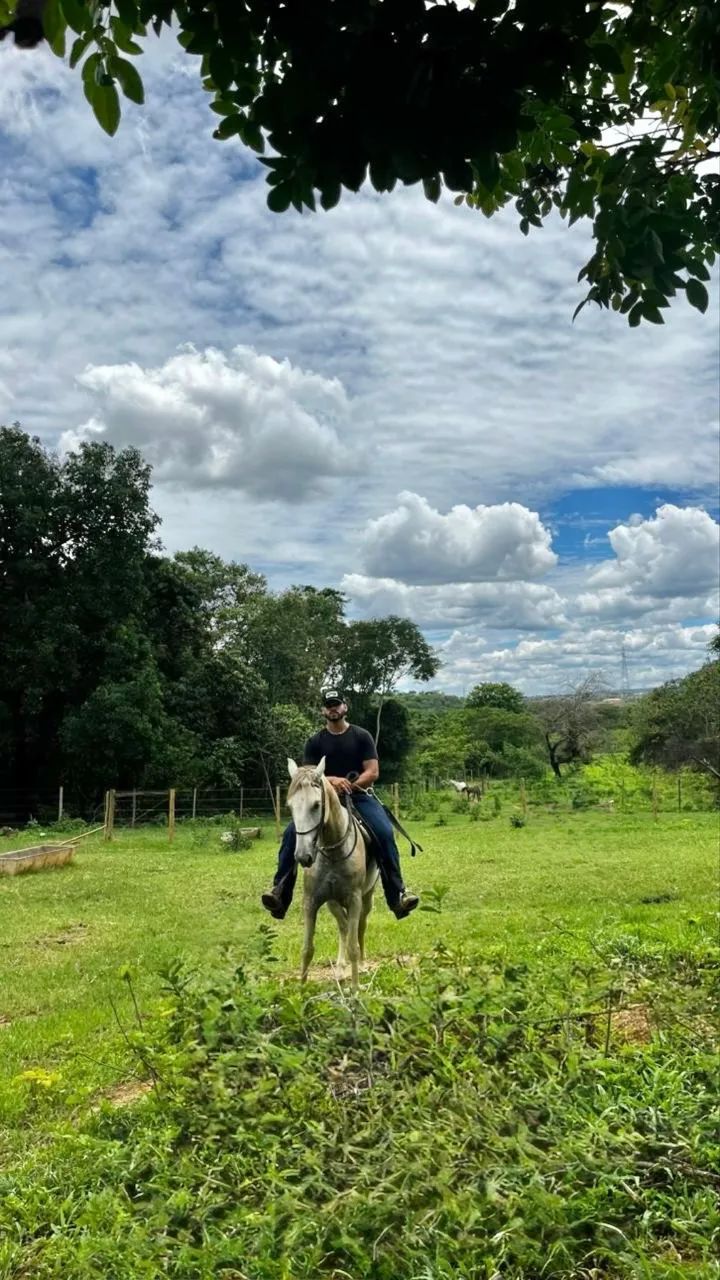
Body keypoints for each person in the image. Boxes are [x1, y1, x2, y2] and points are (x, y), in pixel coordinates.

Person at [261, 690, 420, 921]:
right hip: (325, 800)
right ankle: (279, 893)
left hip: (360, 796)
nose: (332, 709)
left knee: (385, 832)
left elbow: (372, 771)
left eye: (336, 704)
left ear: (345, 707)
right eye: (328, 705)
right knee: (290, 835)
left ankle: (398, 895)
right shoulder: (315, 741)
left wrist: (351, 784)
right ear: (323, 711)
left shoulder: (361, 736)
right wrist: (332, 781)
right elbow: (307, 775)